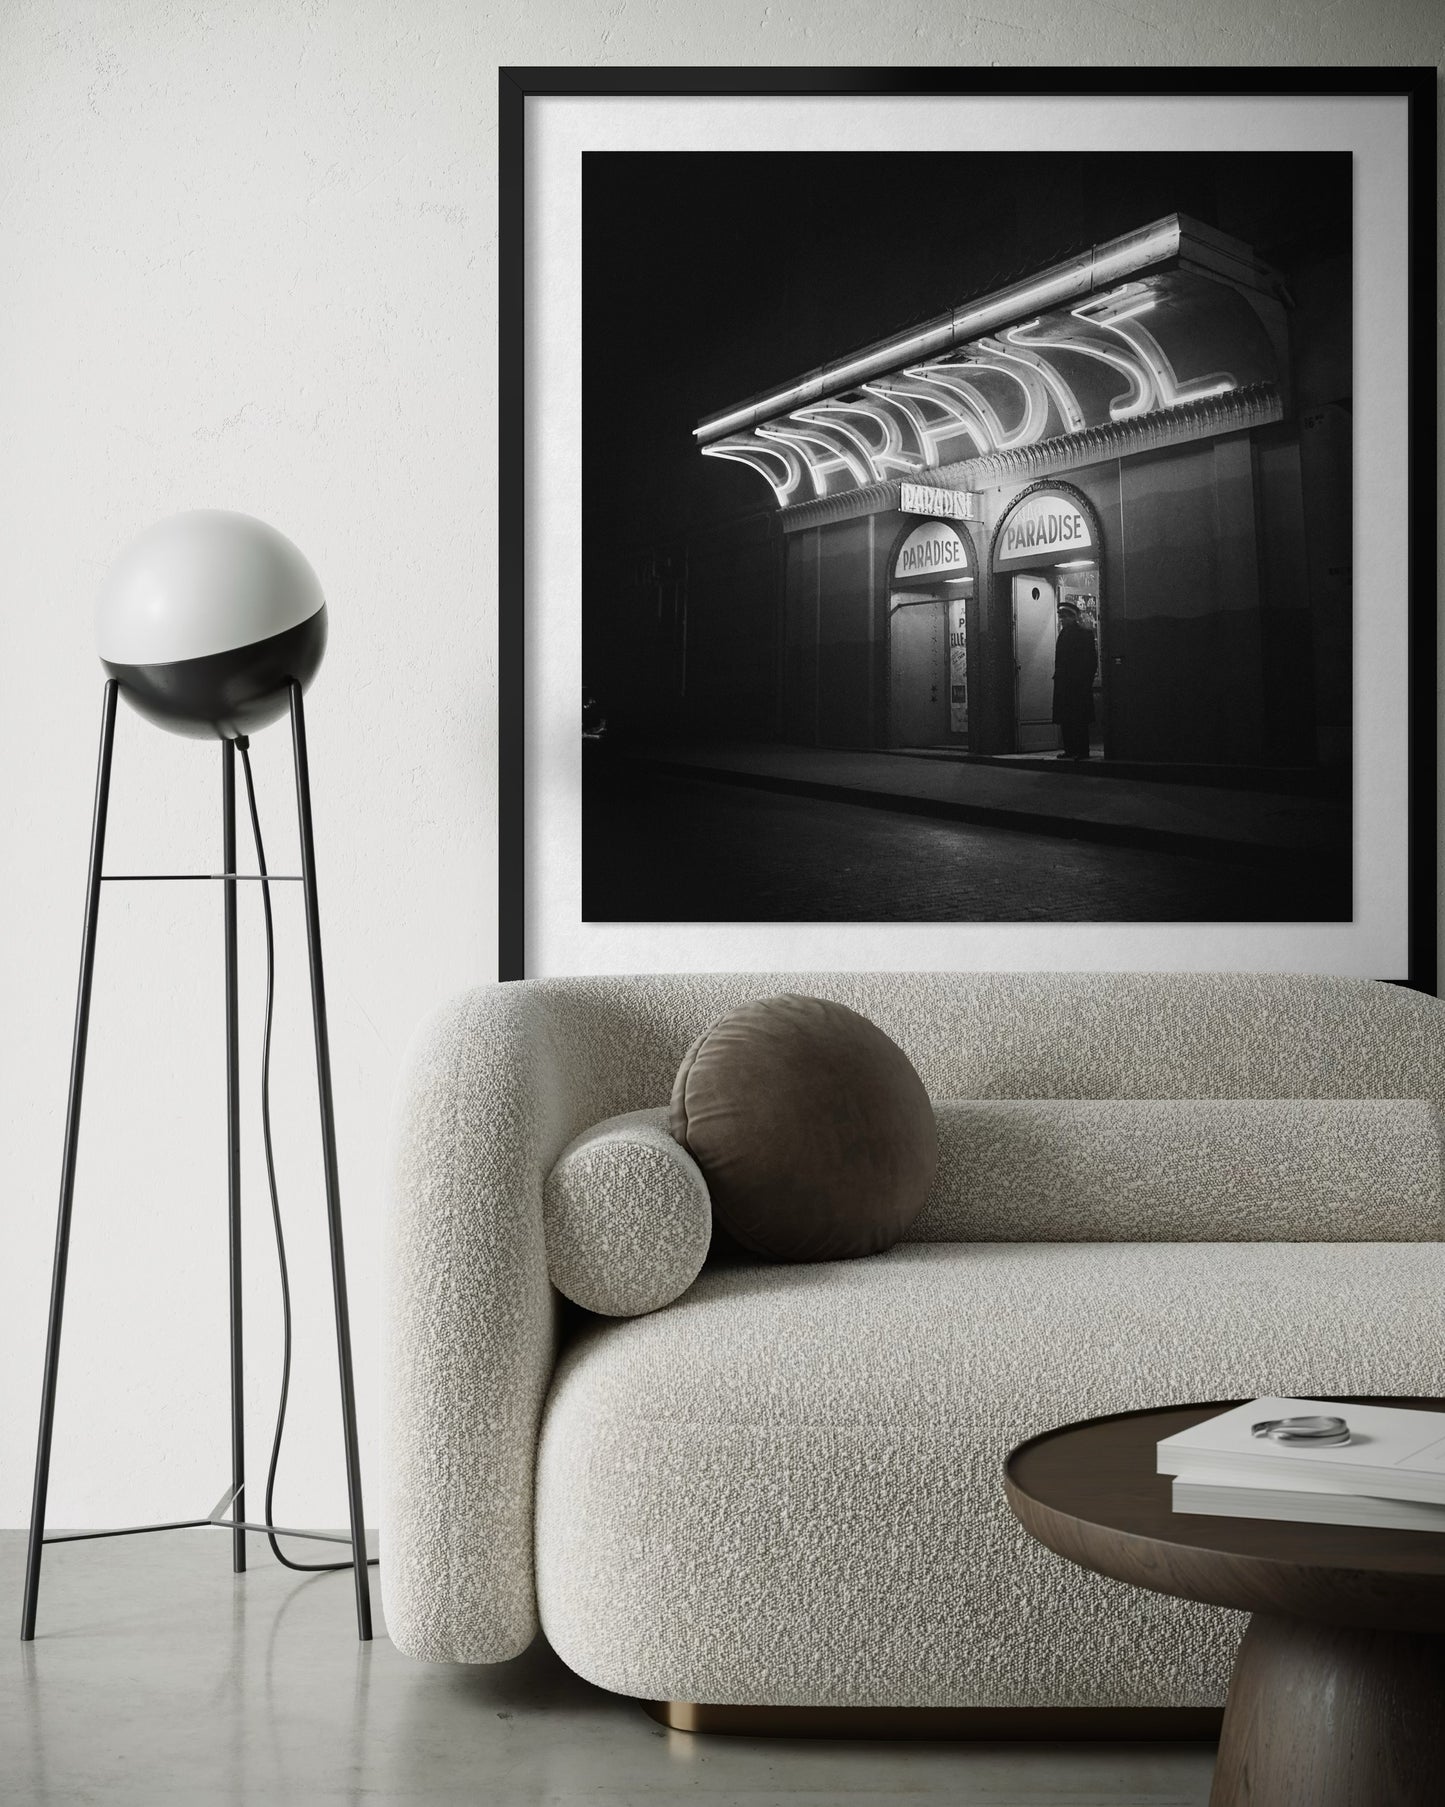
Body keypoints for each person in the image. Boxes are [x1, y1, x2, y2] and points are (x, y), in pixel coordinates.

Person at [1051, 600, 1097, 760]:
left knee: (1079, 720)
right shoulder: (1064, 634)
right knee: (1067, 719)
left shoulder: (1084, 635)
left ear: (1073, 617)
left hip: (1078, 685)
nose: (1062, 620)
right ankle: (1070, 749)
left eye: (1065, 617)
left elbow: (1090, 661)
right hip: (1065, 684)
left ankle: (1082, 751)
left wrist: (1084, 681)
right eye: (1061, 617)